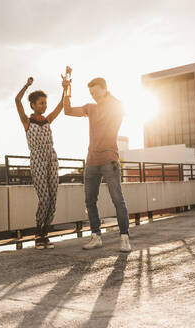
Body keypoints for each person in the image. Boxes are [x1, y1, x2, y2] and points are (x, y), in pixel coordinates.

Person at [62, 69, 132, 252]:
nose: (93, 95)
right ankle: (96, 237)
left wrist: (107, 96)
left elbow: (122, 107)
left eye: (95, 91)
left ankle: (125, 238)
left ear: (104, 89)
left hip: (109, 159)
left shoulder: (116, 105)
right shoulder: (90, 108)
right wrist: (66, 88)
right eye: (90, 92)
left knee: (118, 200)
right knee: (89, 201)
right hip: (91, 161)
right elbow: (67, 111)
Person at [15, 77, 65, 249]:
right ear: (34, 105)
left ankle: (45, 233)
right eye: (41, 103)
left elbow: (61, 106)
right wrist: (26, 86)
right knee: (44, 197)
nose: (44, 106)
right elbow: (17, 100)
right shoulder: (27, 121)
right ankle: (38, 233)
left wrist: (65, 88)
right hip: (37, 159)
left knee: (53, 198)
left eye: (45, 103)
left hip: (52, 157)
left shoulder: (47, 120)